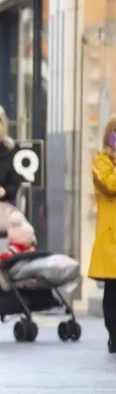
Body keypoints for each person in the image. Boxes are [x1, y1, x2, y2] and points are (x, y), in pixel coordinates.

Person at [88, 115, 116, 353]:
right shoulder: (101, 161)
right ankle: (114, 335)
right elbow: (110, 185)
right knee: (113, 290)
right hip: (111, 238)